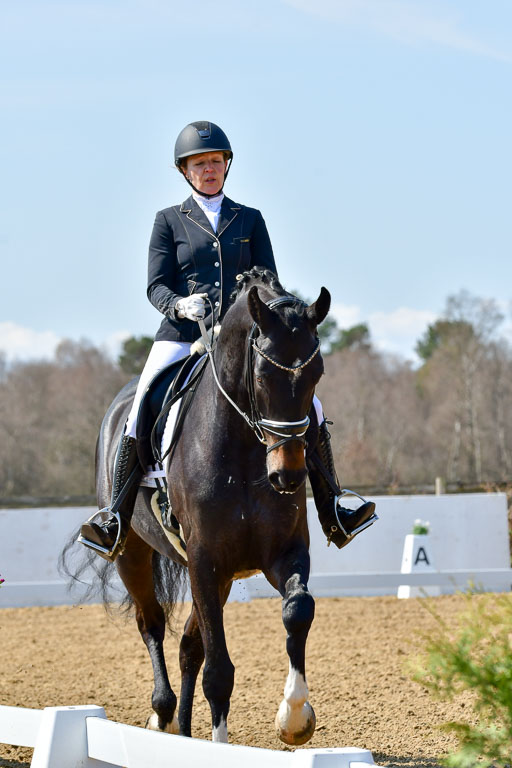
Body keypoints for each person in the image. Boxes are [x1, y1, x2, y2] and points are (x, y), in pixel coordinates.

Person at [79, 121, 376, 561]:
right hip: (183, 336)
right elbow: (155, 286)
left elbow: (269, 281)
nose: (209, 169)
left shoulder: (249, 219)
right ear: (185, 171)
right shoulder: (168, 221)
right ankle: (115, 519)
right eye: (200, 163)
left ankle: (334, 507)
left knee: (311, 406)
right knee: (139, 407)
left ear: (226, 165)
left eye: (216, 161)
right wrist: (180, 306)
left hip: (241, 340)